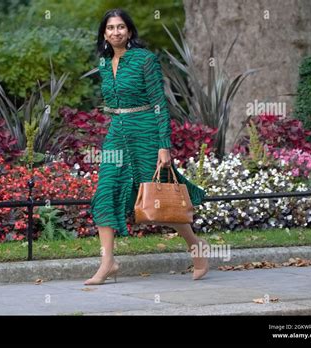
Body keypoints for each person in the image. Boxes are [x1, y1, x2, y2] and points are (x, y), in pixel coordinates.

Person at [87, 8, 210, 285]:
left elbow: (159, 104)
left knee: (159, 196)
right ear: (104, 34)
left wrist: (163, 146)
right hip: (117, 134)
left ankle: (196, 247)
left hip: (146, 134)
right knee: (105, 192)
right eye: (110, 28)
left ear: (129, 31)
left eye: (120, 27)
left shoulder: (145, 59)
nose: (115, 32)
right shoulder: (105, 63)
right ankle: (108, 262)